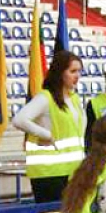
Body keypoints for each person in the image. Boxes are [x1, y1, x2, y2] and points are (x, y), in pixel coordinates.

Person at [12, 50, 85, 203]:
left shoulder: (75, 99)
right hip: (48, 173)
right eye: (72, 71)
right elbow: (19, 120)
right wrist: (46, 135)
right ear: (60, 73)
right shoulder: (45, 97)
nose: (77, 76)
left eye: (79, 71)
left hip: (73, 170)